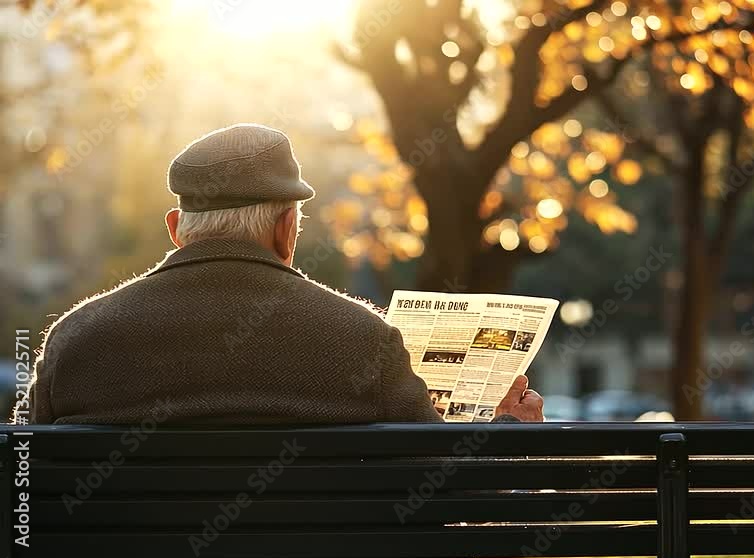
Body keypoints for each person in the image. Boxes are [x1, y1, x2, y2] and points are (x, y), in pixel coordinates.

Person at [18, 123, 543, 425]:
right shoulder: (364, 342)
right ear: (287, 227)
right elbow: (440, 492)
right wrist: (506, 429)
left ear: (177, 228)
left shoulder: (76, 339)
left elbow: (18, 477)